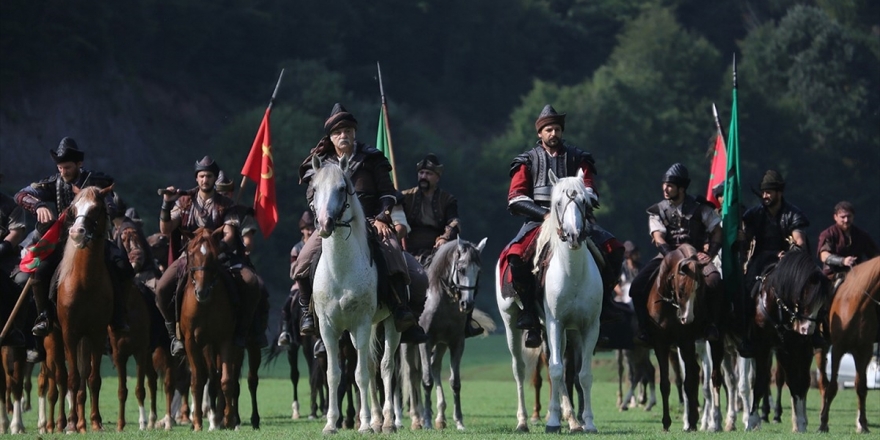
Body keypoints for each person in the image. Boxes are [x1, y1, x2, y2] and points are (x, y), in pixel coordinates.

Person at [293, 103, 427, 344]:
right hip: (332, 223)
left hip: (371, 222)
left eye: (347, 130)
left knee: (399, 258)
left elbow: (387, 193)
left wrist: (382, 218)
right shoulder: (320, 162)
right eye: (337, 132)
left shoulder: (372, 159)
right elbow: (312, 195)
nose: (343, 135)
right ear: (331, 137)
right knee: (302, 261)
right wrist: (323, 215)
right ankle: (308, 314)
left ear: (354, 132)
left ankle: (400, 310)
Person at [501, 105, 625, 349]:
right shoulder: (527, 160)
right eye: (548, 129)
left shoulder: (579, 158)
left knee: (614, 249)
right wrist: (545, 214)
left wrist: (580, 201)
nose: (553, 133)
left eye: (557, 129)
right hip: (540, 220)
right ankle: (529, 314)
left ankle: (604, 303)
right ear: (540, 133)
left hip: (576, 217)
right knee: (515, 256)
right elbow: (516, 196)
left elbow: (590, 188)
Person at [14, 138, 130, 336]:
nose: (63, 172)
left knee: (122, 266)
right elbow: (21, 194)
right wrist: (38, 205)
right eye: (60, 168)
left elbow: (111, 204)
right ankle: (44, 316)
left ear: (79, 164)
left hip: (94, 241)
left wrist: (95, 196)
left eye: (67, 167)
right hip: (63, 243)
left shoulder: (97, 180)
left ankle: (118, 316)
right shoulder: (53, 184)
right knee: (40, 272)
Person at [155, 156, 261, 356]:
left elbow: (229, 235)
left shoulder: (225, 204)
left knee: (251, 282)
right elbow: (166, 229)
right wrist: (166, 205)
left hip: (219, 256)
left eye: (209, 176)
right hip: (190, 257)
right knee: (161, 289)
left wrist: (214, 251)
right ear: (197, 178)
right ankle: (174, 335)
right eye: (202, 176)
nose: (205, 180)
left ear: (214, 178)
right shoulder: (184, 202)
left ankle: (242, 331)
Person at [629, 163, 723, 345]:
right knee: (637, 287)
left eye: (670, 185)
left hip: (696, 256)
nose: (665, 188)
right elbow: (658, 237)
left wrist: (710, 254)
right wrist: (672, 258)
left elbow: (717, 231)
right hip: (666, 256)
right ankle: (645, 328)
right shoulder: (657, 210)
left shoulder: (700, 208)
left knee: (714, 281)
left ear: (681, 189)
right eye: (664, 184)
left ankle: (711, 325)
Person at [400, 153, 482, 338]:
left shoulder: (447, 199)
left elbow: (454, 221)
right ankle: (402, 315)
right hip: (409, 250)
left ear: (437, 177)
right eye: (421, 173)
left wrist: (445, 237)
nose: (423, 177)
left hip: (438, 251)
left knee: (466, 272)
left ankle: (466, 322)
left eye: (428, 173)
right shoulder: (405, 197)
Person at [739, 169, 811, 353]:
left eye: (769, 192)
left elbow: (799, 242)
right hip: (761, 261)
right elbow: (745, 236)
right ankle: (746, 334)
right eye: (763, 192)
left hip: (789, 262)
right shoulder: (754, 214)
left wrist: (788, 255)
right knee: (745, 292)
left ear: (779, 193)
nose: (765, 195)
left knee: (813, 289)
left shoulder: (794, 213)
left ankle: (815, 332)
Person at [816, 201, 879, 290]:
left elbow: (875, 256)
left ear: (853, 217)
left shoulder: (862, 235)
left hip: (857, 276)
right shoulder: (828, 234)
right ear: (835, 217)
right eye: (843, 217)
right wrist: (842, 261)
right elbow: (824, 256)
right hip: (832, 277)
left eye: (849, 216)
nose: (846, 220)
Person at [278, 210, 315, 347]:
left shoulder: (320, 245)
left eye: (312, 228)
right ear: (302, 230)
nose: (310, 232)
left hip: (318, 283)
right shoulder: (297, 249)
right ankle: (285, 331)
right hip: (299, 284)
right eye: (307, 229)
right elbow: (293, 270)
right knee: (287, 304)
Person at [1, 173, 29, 347]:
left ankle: (17, 329)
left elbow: (16, 232)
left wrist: (2, 248)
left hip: (5, 258)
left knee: (23, 280)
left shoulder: (11, 204)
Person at [613, 240, 641, 305]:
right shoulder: (621, 268)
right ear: (629, 254)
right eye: (635, 253)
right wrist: (621, 292)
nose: (638, 255)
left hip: (637, 296)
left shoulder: (641, 268)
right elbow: (614, 283)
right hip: (623, 296)